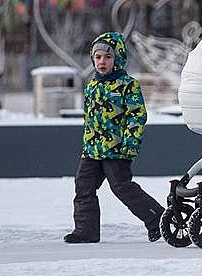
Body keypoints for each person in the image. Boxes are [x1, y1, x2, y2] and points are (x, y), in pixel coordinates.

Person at [65, 31, 165, 243]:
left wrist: (130, 144)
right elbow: (90, 118)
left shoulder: (128, 85)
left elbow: (137, 116)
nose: (102, 62)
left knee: (122, 187)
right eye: (98, 57)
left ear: (117, 58)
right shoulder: (92, 85)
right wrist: (87, 144)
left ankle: (158, 220)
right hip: (92, 149)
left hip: (117, 149)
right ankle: (86, 231)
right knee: (83, 186)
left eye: (108, 57)